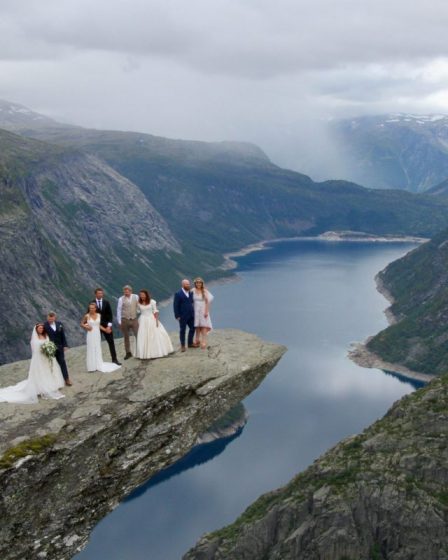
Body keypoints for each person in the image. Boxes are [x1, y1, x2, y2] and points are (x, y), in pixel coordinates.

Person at [0, 323, 65, 404]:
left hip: (47, 357)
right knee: (41, 372)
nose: (41, 329)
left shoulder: (46, 336)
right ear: (36, 329)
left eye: (42, 328)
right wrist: (43, 350)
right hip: (39, 358)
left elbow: (49, 344)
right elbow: (34, 350)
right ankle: (41, 388)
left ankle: (53, 384)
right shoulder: (34, 338)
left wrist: (49, 350)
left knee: (50, 370)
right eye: (39, 328)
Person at [81, 302, 121, 373]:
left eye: (93, 308)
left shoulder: (99, 315)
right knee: (91, 348)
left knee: (97, 348)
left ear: (95, 309)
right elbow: (82, 323)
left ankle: (98, 364)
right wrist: (86, 326)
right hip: (90, 334)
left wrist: (105, 330)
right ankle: (92, 367)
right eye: (90, 308)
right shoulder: (87, 316)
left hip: (97, 334)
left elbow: (99, 325)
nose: (91, 309)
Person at [136, 290, 174, 359]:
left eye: (143, 294)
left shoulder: (152, 302)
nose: (141, 296)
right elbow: (138, 311)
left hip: (151, 319)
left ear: (146, 295)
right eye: (140, 295)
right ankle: (143, 353)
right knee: (143, 335)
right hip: (142, 320)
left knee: (154, 335)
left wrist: (156, 321)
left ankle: (155, 352)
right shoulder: (139, 303)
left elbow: (155, 311)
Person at [44, 311, 72, 386]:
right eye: (49, 318)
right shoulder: (44, 326)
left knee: (62, 362)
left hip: (60, 347)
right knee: (52, 364)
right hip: (50, 348)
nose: (50, 319)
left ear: (54, 317)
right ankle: (54, 381)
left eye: (52, 318)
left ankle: (66, 379)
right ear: (47, 317)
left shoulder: (59, 324)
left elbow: (63, 335)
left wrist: (65, 345)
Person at [94, 287, 121, 365]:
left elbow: (110, 315)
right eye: (99, 293)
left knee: (111, 342)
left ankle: (114, 359)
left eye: (101, 293)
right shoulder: (92, 303)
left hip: (106, 326)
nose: (100, 295)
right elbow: (89, 314)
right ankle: (97, 361)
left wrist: (109, 326)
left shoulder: (106, 302)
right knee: (96, 343)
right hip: (96, 327)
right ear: (95, 294)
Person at [117, 285, 139, 360]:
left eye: (127, 291)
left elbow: (139, 305)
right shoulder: (121, 299)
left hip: (134, 319)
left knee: (138, 335)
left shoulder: (136, 297)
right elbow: (119, 310)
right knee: (126, 337)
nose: (126, 292)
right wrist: (119, 321)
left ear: (131, 291)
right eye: (125, 291)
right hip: (125, 320)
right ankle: (128, 353)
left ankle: (139, 350)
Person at [173, 279, 195, 352]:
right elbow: (175, 306)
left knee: (193, 328)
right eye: (186, 284)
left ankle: (190, 343)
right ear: (182, 285)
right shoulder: (178, 294)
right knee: (183, 330)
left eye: (188, 284)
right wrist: (177, 316)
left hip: (191, 315)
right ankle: (183, 345)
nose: (188, 285)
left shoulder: (191, 292)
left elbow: (191, 302)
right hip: (182, 316)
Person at [192, 277, 214, 349]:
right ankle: (197, 339)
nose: (198, 284)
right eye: (197, 283)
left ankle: (203, 341)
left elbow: (208, 302)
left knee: (204, 326)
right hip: (195, 310)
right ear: (195, 283)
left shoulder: (205, 291)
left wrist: (206, 312)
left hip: (203, 310)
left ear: (202, 284)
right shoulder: (192, 291)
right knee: (197, 326)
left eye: (200, 283)